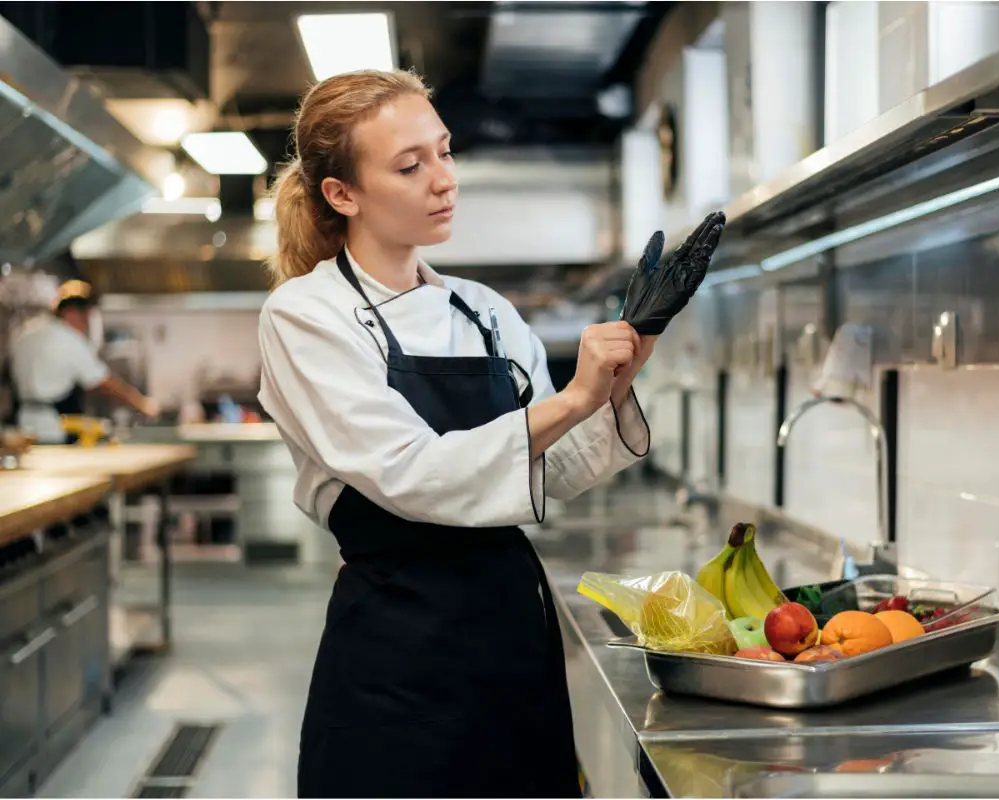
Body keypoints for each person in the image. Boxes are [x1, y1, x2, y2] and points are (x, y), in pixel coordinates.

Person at [256, 69, 723, 799]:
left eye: (444, 152)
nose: (444, 180)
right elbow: (409, 472)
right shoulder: (306, 316)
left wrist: (622, 373)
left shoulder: (482, 311)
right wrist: (572, 398)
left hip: (509, 631)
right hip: (395, 649)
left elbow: (557, 470)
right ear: (341, 195)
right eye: (411, 166)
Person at [7, 279, 158, 443]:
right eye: (85, 317)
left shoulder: (26, 333)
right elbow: (103, 381)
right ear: (71, 312)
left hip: (22, 428)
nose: (86, 324)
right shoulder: (69, 338)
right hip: (53, 429)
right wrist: (141, 403)